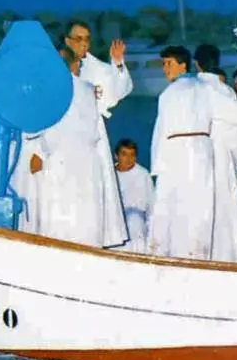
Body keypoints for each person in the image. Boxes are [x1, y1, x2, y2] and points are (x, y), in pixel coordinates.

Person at [63, 21, 133, 248]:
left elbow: (120, 90)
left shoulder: (98, 68)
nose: (83, 44)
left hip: (92, 135)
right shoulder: (53, 67)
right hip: (62, 137)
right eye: (78, 39)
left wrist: (118, 63)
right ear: (67, 41)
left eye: (87, 39)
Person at [37, 46, 114, 248]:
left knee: (59, 219)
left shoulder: (48, 90)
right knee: (86, 218)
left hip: (60, 159)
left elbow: (35, 128)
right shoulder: (88, 90)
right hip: (87, 160)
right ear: (76, 64)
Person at [148, 46, 216, 259]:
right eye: (163, 64)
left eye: (169, 63)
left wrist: (157, 167)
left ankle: (176, 257)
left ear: (183, 65)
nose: (164, 68)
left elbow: (161, 133)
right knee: (196, 210)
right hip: (200, 155)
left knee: (175, 209)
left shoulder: (169, 93)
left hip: (177, 156)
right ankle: (195, 257)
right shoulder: (206, 88)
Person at [194, 43, 237, 262]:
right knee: (225, 209)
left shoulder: (194, 88)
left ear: (197, 64)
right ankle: (227, 257)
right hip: (223, 154)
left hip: (198, 155)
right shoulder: (224, 91)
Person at [114, 139, 154, 253]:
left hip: (137, 227)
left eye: (132, 155)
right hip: (115, 224)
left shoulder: (143, 175)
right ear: (116, 156)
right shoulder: (109, 174)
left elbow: (151, 207)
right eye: (124, 154)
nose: (128, 159)